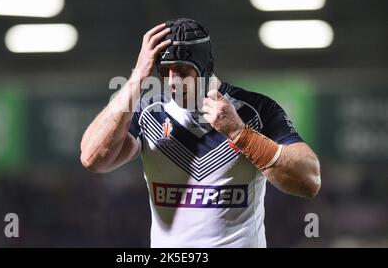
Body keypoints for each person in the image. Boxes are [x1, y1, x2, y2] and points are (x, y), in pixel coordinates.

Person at [80, 18, 321, 247]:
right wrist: (137, 77)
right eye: (164, 71)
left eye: (182, 70)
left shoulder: (255, 110)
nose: (173, 81)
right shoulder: (149, 112)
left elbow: (309, 180)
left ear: (205, 67)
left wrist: (240, 134)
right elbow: (93, 158)